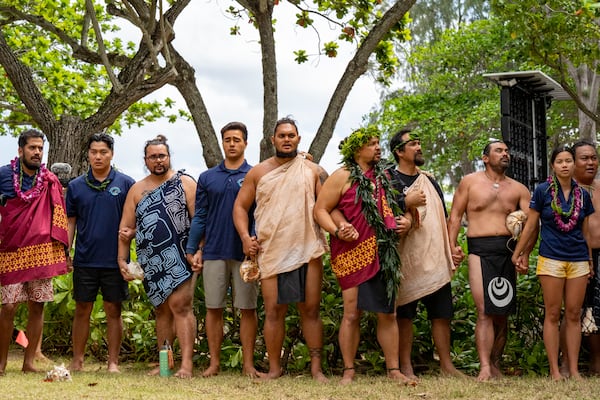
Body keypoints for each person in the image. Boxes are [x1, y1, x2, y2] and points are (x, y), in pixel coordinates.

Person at [314, 126, 412, 385]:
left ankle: (393, 370)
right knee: (351, 313)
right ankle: (348, 370)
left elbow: (405, 207)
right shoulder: (342, 176)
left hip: (383, 252)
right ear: (357, 149)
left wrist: (408, 220)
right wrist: (337, 229)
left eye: (378, 142)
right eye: (372, 143)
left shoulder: (387, 177)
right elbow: (321, 210)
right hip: (352, 251)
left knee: (387, 313)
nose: (378, 147)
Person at [232, 117, 328, 381]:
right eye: (282, 135)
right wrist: (244, 236)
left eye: (291, 135)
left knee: (310, 309)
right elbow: (240, 207)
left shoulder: (311, 170)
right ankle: (275, 369)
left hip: (308, 247)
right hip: (271, 248)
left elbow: (327, 204)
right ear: (272, 140)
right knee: (274, 310)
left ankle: (316, 369)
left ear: (298, 139)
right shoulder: (259, 172)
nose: (287, 139)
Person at [447, 140, 531, 381]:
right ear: (485, 158)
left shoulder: (518, 189)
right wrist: (451, 247)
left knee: (501, 313)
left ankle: (495, 364)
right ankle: (484, 366)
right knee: (484, 310)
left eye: (507, 151)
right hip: (479, 250)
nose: (505, 154)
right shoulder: (470, 182)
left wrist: (523, 253)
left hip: (507, 251)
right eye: (499, 151)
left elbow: (532, 224)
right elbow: (454, 217)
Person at [117, 135, 197, 378]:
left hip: (183, 255)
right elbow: (125, 229)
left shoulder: (185, 183)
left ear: (169, 156)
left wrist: (198, 250)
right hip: (152, 259)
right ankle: (166, 362)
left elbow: (199, 222)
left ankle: (187, 364)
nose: (158, 160)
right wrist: (122, 260)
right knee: (162, 308)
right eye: (153, 157)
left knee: (180, 306)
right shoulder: (137, 189)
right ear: (146, 160)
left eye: (162, 155)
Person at [387, 128, 464, 379]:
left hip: (434, 256)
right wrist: (406, 209)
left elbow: (442, 217)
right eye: (413, 144)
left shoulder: (429, 180)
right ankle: (405, 366)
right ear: (399, 151)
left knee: (441, 313)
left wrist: (451, 247)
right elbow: (383, 211)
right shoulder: (388, 179)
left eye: (420, 143)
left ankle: (446, 365)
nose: (419, 147)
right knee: (405, 314)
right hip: (404, 257)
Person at [513, 145, 594, 381]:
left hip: (578, 258)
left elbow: (586, 232)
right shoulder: (542, 191)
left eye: (569, 160)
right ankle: (555, 370)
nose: (565, 165)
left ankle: (575, 369)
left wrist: (589, 260)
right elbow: (531, 226)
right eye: (560, 161)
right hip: (551, 258)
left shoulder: (584, 195)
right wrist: (518, 252)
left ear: (574, 164)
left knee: (573, 314)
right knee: (552, 314)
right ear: (553, 166)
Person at [185, 122, 259, 377]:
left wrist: (255, 239)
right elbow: (200, 215)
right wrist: (192, 247)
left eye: (237, 139)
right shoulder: (207, 177)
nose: (232, 144)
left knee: (247, 309)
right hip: (214, 250)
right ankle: (214, 363)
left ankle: (248, 364)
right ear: (222, 142)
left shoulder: (255, 174)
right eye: (227, 139)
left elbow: (260, 214)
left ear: (245, 143)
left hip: (246, 254)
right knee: (213, 308)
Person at [0, 129, 69, 375]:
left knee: (37, 305)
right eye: (32, 148)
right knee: (8, 306)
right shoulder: (4, 175)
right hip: (12, 249)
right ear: (20, 150)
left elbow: (58, 213)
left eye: (40, 148)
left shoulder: (49, 179)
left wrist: (63, 250)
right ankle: (1, 363)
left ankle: (28, 363)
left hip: (42, 252)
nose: (37, 152)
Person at [66, 133, 135, 372]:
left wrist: (131, 237)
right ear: (88, 154)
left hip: (115, 260)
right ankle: (77, 360)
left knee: (113, 310)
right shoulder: (76, 186)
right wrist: (67, 250)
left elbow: (134, 220)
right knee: (82, 308)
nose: (98, 156)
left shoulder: (126, 183)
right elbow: (71, 221)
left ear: (112, 154)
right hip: (85, 258)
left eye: (103, 152)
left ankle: (113, 362)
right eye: (94, 152)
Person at [571, 141, 600, 375]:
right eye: (584, 158)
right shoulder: (567, 192)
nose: (590, 162)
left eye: (594, 157)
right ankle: (593, 362)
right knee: (585, 309)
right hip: (578, 257)